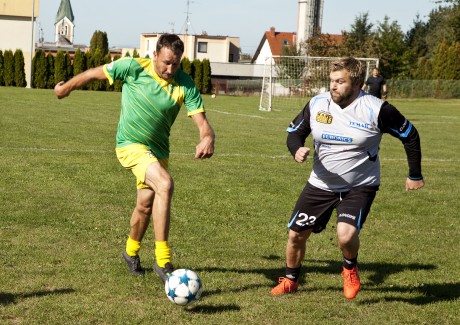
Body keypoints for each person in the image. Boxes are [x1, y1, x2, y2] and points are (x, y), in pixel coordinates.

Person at [54, 34, 215, 283]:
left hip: (159, 152)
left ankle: (130, 252)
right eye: (166, 62)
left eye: (176, 63)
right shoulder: (133, 68)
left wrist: (207, 137)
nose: (170, 68)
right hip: (130, 145)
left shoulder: (185, 84)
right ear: (155, 55)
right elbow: (94, 73)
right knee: (165, 184)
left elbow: (203, 123)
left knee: (145, 204)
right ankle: (163, 262)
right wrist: (65, 88)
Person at [271, 57, 424, 299]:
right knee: (295, 235)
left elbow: (410, 135)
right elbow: (294, 132)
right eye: (331, 81)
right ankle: (290, 280)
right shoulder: (318, 104)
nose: (333, 86)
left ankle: (350, 268)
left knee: (346, 234)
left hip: (359, 186)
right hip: (321, 183)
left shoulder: (377, 109)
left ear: (357, 84)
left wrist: (414, 174)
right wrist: (296, 148)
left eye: (340, 81)